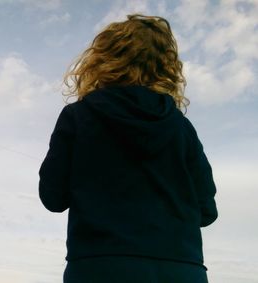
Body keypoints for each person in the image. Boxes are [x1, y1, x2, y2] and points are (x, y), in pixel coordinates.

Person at [38, 14, 218, 283]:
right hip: (180, 269)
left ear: (103, 58)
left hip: (99, 267)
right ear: (166, 66)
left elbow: (52, 197)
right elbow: (207, 212)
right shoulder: (182, 128)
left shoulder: (78, 117)